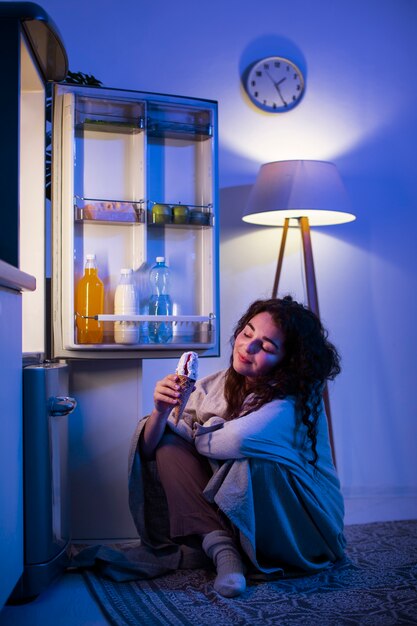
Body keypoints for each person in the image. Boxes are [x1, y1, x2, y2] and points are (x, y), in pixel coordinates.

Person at [128, 296, 345, 597]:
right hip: (234, 516)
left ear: (289, 362)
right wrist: (161, 411)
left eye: (267, 347)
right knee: (167, 443)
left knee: (252, 459)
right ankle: (224, 551)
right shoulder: (215, 384)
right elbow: (150, 450)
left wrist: (190, 432)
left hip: (302, 523)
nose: (248, 347)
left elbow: (236, 440)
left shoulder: (293, 403)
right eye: (247, 333)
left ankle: (250, 552)